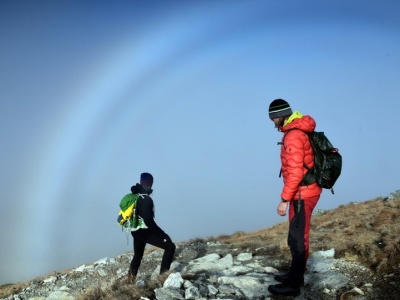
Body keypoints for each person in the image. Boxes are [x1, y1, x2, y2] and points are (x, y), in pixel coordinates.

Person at [267, 99, 322, 296]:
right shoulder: (298, 131)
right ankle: (293, 274)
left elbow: (296, 172)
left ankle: (294, 284)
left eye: (272, 117)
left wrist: (284, 200)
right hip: (305, 191)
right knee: (296, 237)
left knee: (297, 239)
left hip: (302, 194)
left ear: (279, 116)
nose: (272, 121)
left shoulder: (293, 136)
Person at [128, 172, 176, 278]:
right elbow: (148, 221)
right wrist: (164, 235)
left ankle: (129, 281)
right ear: (150, 184)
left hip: (135, 230)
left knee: (138, 255)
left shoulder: (135, 196)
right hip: (144, 231)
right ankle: (163, 277)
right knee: (170, 246)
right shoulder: (146, 199)